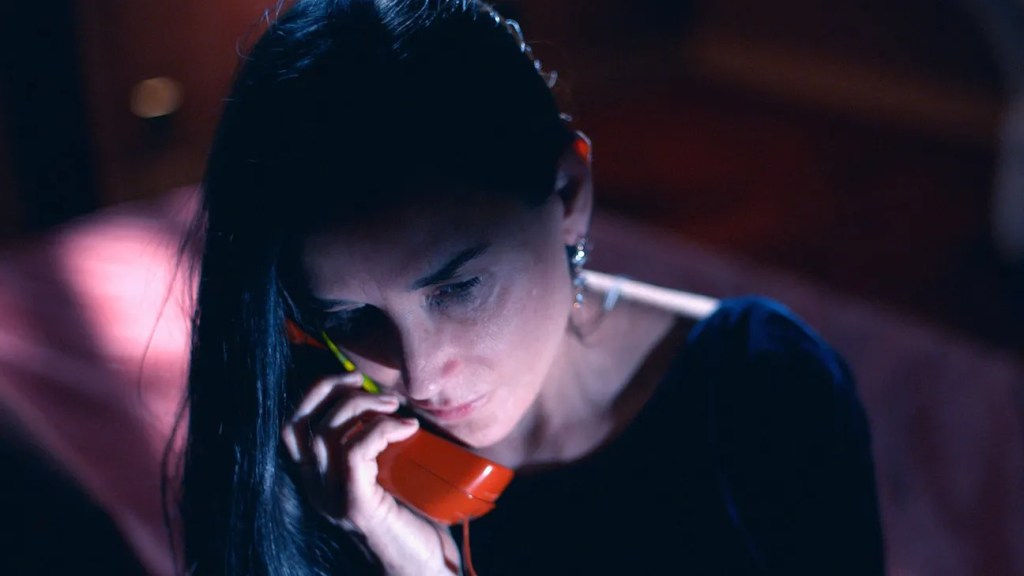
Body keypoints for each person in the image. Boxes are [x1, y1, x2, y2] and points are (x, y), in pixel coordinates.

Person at [173, 0, 886, 574]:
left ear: (569, 194)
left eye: (459, 288)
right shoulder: (321, 454)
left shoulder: (766, 388)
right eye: (351, 316)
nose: (420, 376)